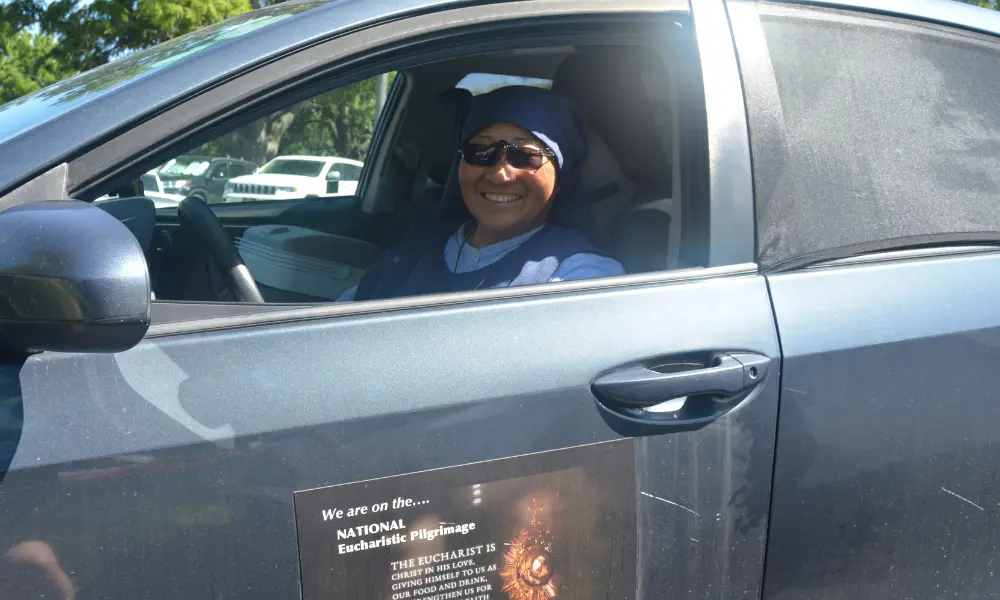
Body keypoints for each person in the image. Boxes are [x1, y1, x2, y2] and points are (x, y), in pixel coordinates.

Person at [338, 85, 625, 302]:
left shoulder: (581, 277)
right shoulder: (416, 245)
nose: (500, 174)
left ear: (562, 175)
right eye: (481, 152)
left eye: (525, 155)